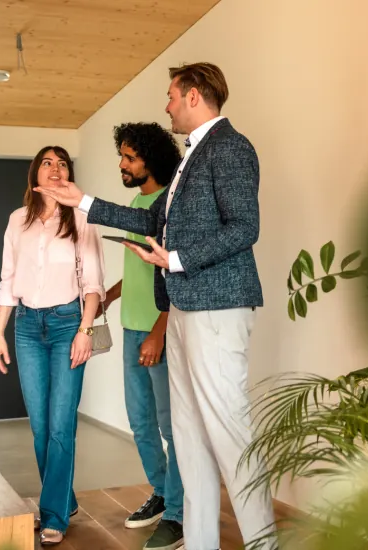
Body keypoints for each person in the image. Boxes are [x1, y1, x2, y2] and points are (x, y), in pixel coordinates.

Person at [36, 63, 276, 550]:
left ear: (192, 96)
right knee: (188, 438)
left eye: (170, 96)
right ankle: (202, 540)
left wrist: (178, 259)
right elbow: (147, 218)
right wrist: (82, 201)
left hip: (218, 306)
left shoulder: (230, 147)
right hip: (187, 308)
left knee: (231, 433)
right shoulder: (193, 156)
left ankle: (265, 543)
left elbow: (244, 227)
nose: (165, 105)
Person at [0, 145, 105, 546]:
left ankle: (54, 513)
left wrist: (85, 331)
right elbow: (7, 281)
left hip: (67, 326)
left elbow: (93, 284)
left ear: (68, 174)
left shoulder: (81, 218)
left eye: (62, 163)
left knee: (61, 425)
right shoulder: (17, 221)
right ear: (35, 175)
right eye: (47, 163)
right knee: (40, 428)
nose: (55, 169)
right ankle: (65, 497)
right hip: (26, 328)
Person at [101, 122, 185, 550]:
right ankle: (162, 492)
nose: (123, 164)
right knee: (141, 423)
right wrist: (109, 297)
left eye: (130, 157)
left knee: (171, 425)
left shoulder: (169, 204)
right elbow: (139, 269)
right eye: (123, 156)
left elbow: (175, 273)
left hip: (158, 331)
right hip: (132, 327)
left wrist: (159, 330)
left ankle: (178, 514)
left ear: (150, 160)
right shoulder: (138, 201)